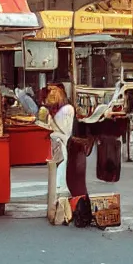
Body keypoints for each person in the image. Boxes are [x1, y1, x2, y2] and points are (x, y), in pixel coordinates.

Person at [38, 83, 75, 218]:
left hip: (62, 141)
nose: (52, 93)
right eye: (50, 90)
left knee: (62, 163)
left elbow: (67, 129)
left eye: (55, 90)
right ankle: (59, 191)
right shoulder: (50, 109)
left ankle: (60, 191)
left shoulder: (67, 109)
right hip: (56, 140)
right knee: (58, 164)